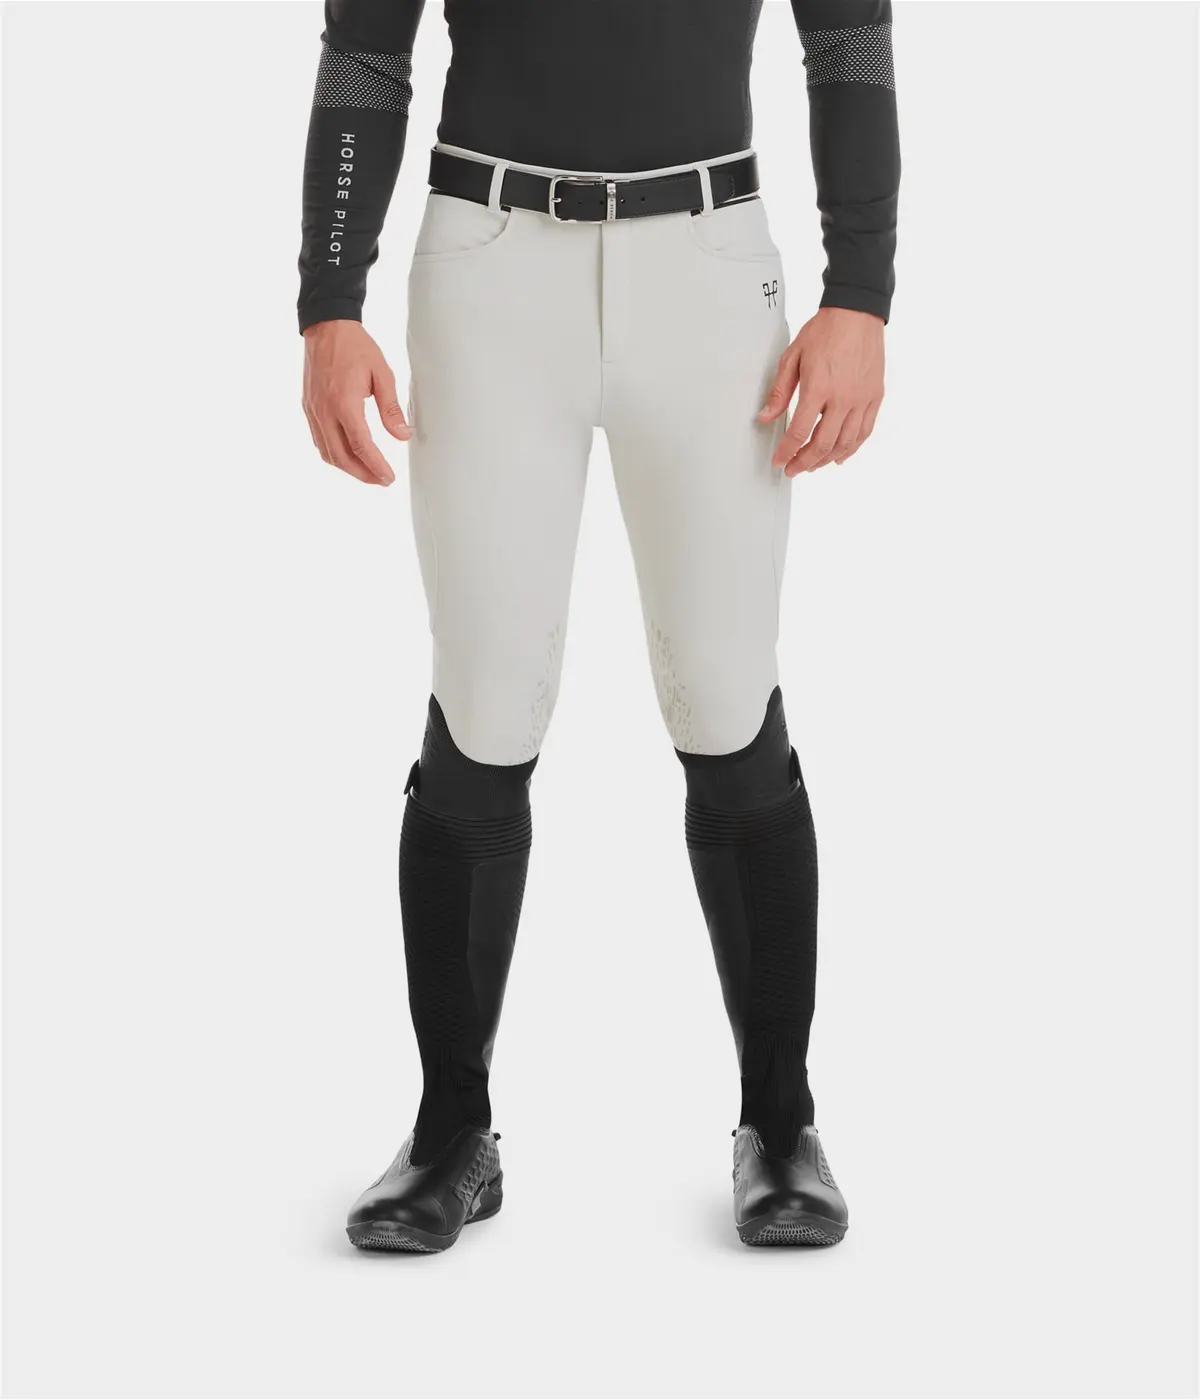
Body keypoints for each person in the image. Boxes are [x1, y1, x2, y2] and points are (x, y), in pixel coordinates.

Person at [298, 0, 899, 1252]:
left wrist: (862, 290)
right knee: (483, 700)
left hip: (710, 266)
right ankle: (451, 1132)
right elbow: (365, 48)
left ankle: (780, 1124)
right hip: (487, 265)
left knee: (727, 697)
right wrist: (328, 297)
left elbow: (848, 35)